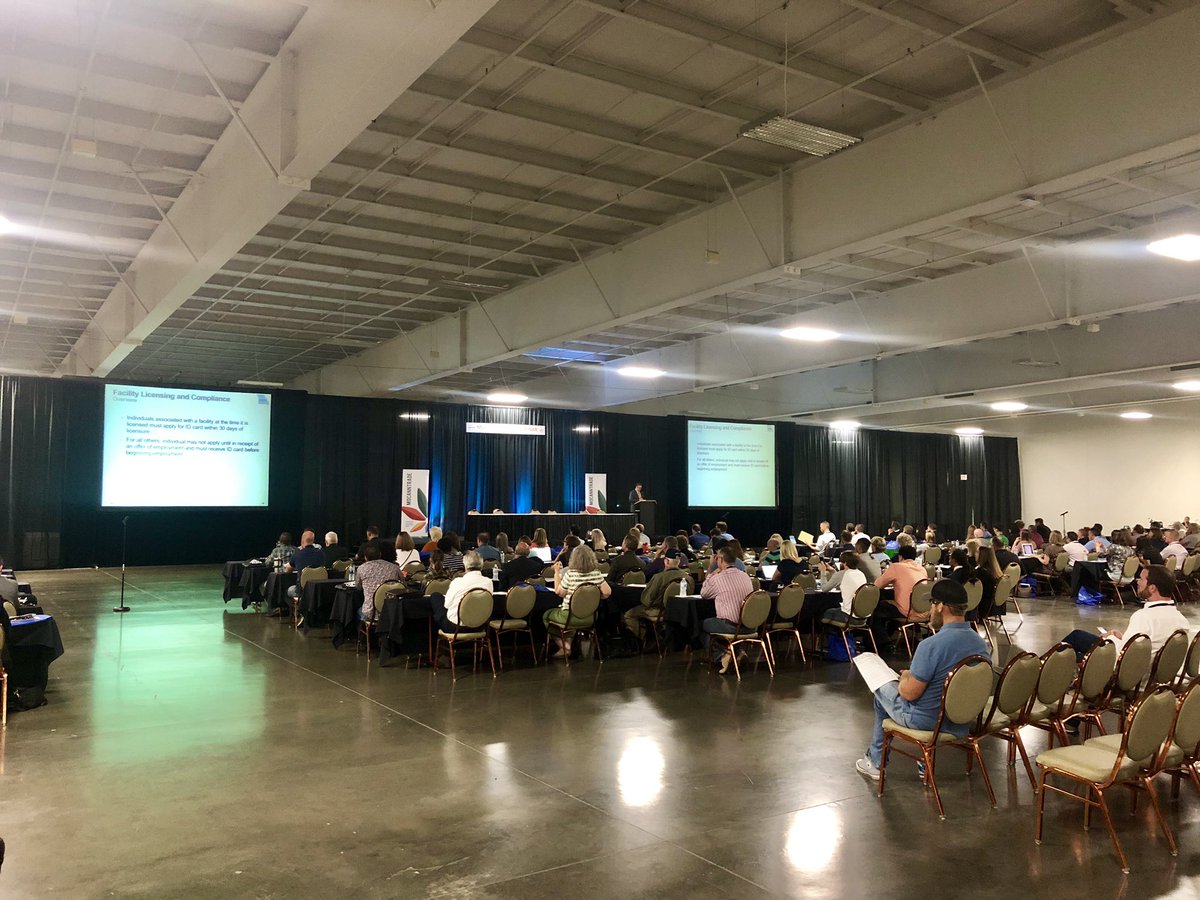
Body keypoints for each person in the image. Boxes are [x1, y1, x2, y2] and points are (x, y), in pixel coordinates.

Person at [855, 579, 990, 780]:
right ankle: (923, 761)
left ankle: (875, 762)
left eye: (932, 603)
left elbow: (909, 694)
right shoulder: (980, 644)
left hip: (927, 720)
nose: (930, 609)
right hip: (961, 720)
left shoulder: (931, 646)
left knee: (881, 691)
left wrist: (904, 678)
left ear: (941, 606)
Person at [1058, 565, 1189, 659]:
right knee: (1077, 654)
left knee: (1076, 638)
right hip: (1153, 668)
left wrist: (1109, 637)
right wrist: (1120, 637)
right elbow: (1144, 644)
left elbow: (1123, 653)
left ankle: (1048, 669)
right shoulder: (1182, 620)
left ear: (1152, 588)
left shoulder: (1144, 617)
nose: (1138, 582)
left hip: (1129, 671)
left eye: (1141, 579)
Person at [700, 546, 755, 673]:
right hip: (750, 625)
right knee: (717, 623)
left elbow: (704, 594)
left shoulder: (718, 578)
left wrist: (711, 571)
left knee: (700, 626)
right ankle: (738, 653)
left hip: (731, 626)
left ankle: (722, 656)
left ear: (720, 559)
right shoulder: (745, 576)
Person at [547, 545, 611, 654]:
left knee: (546, 616)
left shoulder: (570, 575)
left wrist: (556, 573)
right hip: (590, 617)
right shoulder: (596, 574)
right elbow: (607, 592)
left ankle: (565, 646)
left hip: (569, 617)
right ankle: (567, 645)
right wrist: (595, 597)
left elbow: (559, 592)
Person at [624, 549, 687, 639]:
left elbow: (646, 600)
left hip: (657, 611)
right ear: (679, 561)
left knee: (629, 615)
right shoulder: (687, 577)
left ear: (666, 561)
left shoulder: (658, 577)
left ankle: (648, 639)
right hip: (679, 613)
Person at [873, 544, 929, 644]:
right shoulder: (922, 569)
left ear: (900, 557)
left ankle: (882, 643)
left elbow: (877, 585)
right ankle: (891, 634)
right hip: (924, 610)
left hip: (906, 612)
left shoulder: (896, 567)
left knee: (877, 607)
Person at [436, 551, 492, 633]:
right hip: (479, 626)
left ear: (465, 565)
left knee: (435, 597)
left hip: (456, 627)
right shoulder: (488, 582)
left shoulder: (457, 582)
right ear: (482, 565)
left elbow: (447, 605)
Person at [357, 543, 403, 622]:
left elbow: (358, 587)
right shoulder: (395, 568)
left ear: (365, 557)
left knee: (356, 611)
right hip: (393, 611)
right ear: (380, 555)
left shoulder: (361, 568)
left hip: (370, 613)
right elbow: (403, 585)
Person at [819, 551, 868, 624]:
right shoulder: (861, 574)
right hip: (863, 617)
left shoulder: (842, 574)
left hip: (849, 617)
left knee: (822, 612)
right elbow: (841, 583)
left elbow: (824, 589)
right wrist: (833, 571)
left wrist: (822, 572)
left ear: (845, 563)